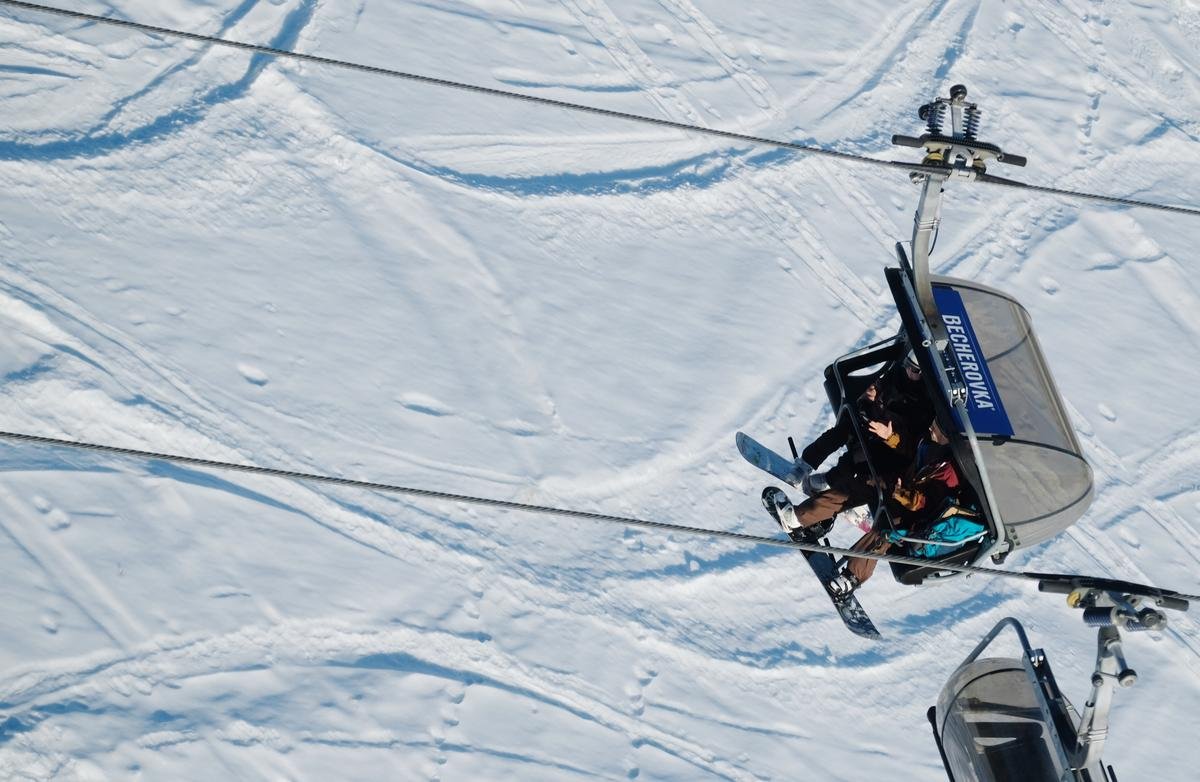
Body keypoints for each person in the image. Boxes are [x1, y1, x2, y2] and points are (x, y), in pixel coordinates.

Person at [766, 349, 933, 540]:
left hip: (892, 451)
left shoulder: (926, 405)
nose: (910, 372)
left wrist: (890, 436)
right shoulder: (897, 374)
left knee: (860, 463)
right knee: (844, 429)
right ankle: (805, 465)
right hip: (873, 429)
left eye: (916, 371)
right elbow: (875, 389)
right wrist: (868, 400)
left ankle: (828, 485)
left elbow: (914, 447)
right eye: (908, 366)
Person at [829, 417, 966, 596]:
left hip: (921, 518)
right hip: (905, 495)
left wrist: (901, 493)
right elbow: (909, 447)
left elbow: (927, 503)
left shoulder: (950, 473)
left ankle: (853, 576)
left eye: (937, 426)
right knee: (868, 483)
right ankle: (817, 515)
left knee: (887, 529)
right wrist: (890, 436)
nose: (931, 427)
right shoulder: (932, 447)